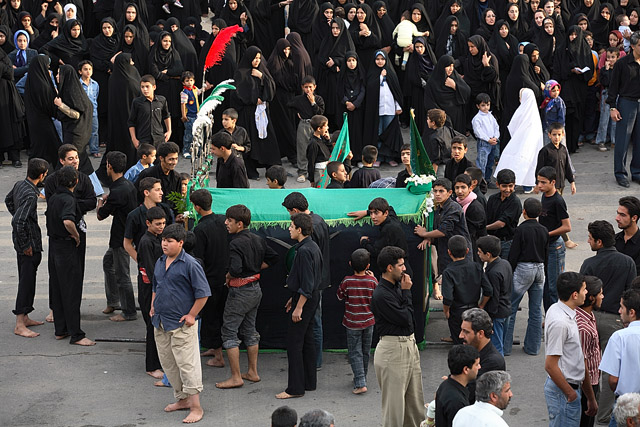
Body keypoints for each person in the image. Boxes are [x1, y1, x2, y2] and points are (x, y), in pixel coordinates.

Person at [151, 224, 210, 424]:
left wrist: (192, 315)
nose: (165, 244)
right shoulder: (160, 262)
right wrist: (152, 306)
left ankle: (196, 407)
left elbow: (203, 294)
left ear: (181, 243)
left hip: (181, 325)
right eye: (163, 240)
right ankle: (182, 400)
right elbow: (155, 286)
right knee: (169, 365)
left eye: (169, 241)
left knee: (188, 366)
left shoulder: (191, 264)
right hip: (160, 322)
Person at [580, 220, 637, 425]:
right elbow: (629, 293)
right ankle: (603, 416)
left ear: (599, 241)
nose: (587, 241)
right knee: (609, 371)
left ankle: (588, 406)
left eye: (590, 238)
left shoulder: (589, 263)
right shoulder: (627, 262)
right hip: (615, 320)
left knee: (587, 365)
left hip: (590, 318)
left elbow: (581, 294)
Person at [216, 205, 278, 389]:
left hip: (240, 293)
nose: (226, 223)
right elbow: (273, 258)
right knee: (250, 330)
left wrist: (228, 276)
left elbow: (235, 269)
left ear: (240, 224)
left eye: (229, 220)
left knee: (229, 332)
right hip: (255, 289)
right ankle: (252, 372)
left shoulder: (235, 243)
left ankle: (236, 377)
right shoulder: (258, 239)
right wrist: (255, 270)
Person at [371, 246, 424, 427]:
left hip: (409, 345)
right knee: (394, 411)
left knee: (415, 408)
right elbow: (406, 319)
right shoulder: (381, 294)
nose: (404, 269)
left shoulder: (398, 286)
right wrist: (407, 292)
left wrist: (405, 291)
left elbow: (410, 322)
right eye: (400, 265)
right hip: (393, 351)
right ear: (389, 268)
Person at [46, 166, 95, 346]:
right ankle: (76, 334)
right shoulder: (68, 199)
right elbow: (67, 220)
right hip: (66, 247)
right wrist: (75, 235)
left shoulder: (53, 198)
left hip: (54, 246)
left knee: (58, 287)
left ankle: (61, 329)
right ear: (75, 181)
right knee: (71, 290)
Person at [282, 192, 331, 369]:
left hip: (313, 285)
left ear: (295, 211)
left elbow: (309, 265)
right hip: (320, 280)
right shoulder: (319, 220)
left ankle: (314, 362)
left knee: (313, 323)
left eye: (290, 214)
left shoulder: (310, 231)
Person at [276, 213, 323, 400]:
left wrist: (298, 307)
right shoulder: (312, 246)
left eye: (291, 226)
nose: (289, 228)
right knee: (308, 339)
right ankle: (310, 381)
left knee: (294, 343)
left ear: (299, 229)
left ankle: (295, 388)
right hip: (309, 297)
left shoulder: (303, 251)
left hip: (305, 299)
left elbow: (307, 282)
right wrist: (294, 299)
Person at [6, 158, 48, 338]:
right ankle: (19, 323)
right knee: (26, 281)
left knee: (28, 279)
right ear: (41, 175)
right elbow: (18, 220)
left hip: (22, 241)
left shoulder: (19, 185)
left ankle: (26, 316)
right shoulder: (31, 194)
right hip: (28, 243)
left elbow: (9, 201)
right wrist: (26, 244)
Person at [544, 271, 592, 427]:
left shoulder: (559, 309)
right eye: (584, 289)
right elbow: (550, 365)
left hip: (567, 390)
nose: (587, 293)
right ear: (574, 295)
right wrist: (570, 394)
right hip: (564, 392)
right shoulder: (561, 323)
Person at [189, 189, 230, 369]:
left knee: (212, 317)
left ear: (197, 207)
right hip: (227, 277)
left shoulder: (200, 229)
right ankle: (215, 348)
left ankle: (219, 356)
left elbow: (199, 259)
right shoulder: (224, 221)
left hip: (210, 280)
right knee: (221, 315)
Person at [97, 151, 139, 322]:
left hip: (122, 238)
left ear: (109, 166)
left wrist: (101, 202)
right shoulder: (126, 185)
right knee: (108, 263)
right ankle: (113, 301)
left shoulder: (117, 190)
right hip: (124, 234)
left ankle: (128, 311)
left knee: (122, 274)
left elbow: (101, 215)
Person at [505, 198, 548, 356]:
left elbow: (514, 253)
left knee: (511, 307)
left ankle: (505, 347)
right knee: (536, 310)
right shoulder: (543, 230)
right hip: (540, 268)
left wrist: (510, 271)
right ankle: (533, 347)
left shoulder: (521, 230)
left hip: (524, 268)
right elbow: (546, 252)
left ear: (524, 212)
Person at [231, 46, 281, 181]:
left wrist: (262, 77)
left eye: (259, 58)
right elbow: (238, 93)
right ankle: (251, 170)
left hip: (262, 112)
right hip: (248, 113)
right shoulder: (241, 73)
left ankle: (272, 169)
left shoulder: (262, 70)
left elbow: (272, 87)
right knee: (251, 140)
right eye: (255, 58)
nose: (257, 61)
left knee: (267, 140)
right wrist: (254, 100)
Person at [337, 248, 377, 394]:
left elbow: (339, 296)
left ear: (350, 264)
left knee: (355, 352)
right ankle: (362, 377)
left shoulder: (347, 281)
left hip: (352, 321)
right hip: (369, 321)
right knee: (365, 351)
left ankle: (360, 382)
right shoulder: (373, 281)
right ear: (368, 266)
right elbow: (378, 296)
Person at [414, 178, 472, 277]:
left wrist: (424, 234)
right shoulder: (439, 208)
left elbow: (443, 231)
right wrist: (429, 238)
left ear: (449, 192)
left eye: (441, 191)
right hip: (445, 254)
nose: (437, 194)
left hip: (459, 255)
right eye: (435, 191)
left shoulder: (453, 208)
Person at [599, 289, 640, 426]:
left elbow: (613, 379)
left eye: (622, 307)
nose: (619, 311)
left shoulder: (619, 337)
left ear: (632, 312)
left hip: (627, 406)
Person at [442, 236, 493, 344]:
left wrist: (446, 311)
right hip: (474, 308)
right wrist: (481, 305)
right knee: (472, 340)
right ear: (467, 250)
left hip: (457, 311)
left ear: (449, 252)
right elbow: (488, 290)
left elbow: (448, 297)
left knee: (459, 340)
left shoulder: (448, 272)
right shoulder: (476, 267)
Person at [536, 166, 572, 312]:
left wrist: (547, 234)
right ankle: (549, 314)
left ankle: (555, 316)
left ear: (553, 182)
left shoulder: (558, 201)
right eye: (538, 182)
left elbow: (567, 226)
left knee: (554, 286)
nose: (539, 186)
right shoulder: (544, 196)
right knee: (546, 284)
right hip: (545, 246)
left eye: (543, 183)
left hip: (555, 247)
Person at [135, 206, 166, 380]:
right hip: (150, 288)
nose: (161, 227)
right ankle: (151, 365)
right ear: (148, 223)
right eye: (157, 224)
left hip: (157, 286)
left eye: (163, 223)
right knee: (152, 325)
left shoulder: (158, 238)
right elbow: (151, 269)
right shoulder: (146, 242)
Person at [608, 31, 640, 187]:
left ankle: (637, 172)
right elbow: (613, 87)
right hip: (627, 103)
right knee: (623, 140)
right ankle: (620, 173)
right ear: (632, 46)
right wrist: (613, 107)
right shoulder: (622, 64)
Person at [494, 88, 543, 190]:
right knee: (530, 162)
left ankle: (513, 182)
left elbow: (512, 125)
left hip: (520, 141)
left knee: (515, 161)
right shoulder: (534, 112)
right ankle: (528, 185)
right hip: (532, 143)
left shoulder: (521, 110)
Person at [459, 308, 506, 401]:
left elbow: (470, 394)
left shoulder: (493, 362)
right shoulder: (471, 351)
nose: (461, 335)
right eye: (461, 330)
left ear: (480, 333)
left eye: (466, 332)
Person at [477, 236, 513, 355]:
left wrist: (486, 311)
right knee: (501, 340)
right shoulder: (505, 263)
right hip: (506, 308)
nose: (478, 254)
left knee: (496, 346)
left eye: (479, 252)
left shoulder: (493, 273)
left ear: (488, 254)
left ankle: (497, 369)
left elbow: (493, 296)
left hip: (497, 313)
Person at [359, 197, 412, 276]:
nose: (373, 217)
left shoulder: (388, 229)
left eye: (376, 213)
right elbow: (390, 208)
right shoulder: (392, 218)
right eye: (371, 213)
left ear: (386, 213)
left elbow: (376, 252)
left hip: (400, 273)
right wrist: (366, 212)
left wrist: (364, 242)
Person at [576, 275, 604, 427]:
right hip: (586, 386)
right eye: (600, 293)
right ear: (592, 298)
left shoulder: (589, 316)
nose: (603, 296)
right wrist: (591, 398)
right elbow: (583, 366)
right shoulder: (583, 328)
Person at [288, 76, 325, 183]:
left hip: (316, 125)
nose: (308, 89)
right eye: (306, 87)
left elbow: (320, 112)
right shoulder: (299, 99)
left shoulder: (318, 99)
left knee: (317, 148)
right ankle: (302, 172)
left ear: (314, 87)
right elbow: (289, 105)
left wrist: (313, 103)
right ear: (302, 88)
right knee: (302, 148)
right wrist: (297, 113)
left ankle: (316, 170)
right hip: (304, 124)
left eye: (310, 87)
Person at [435, 344, 481, 427]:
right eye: (477, 364)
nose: (479, 367)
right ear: (466, 369)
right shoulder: (457, 402)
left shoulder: (445, 385)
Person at [424, 55, 471, 134]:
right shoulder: (432, 82)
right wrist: (441, 116)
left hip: (457, 118)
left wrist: (455, 86)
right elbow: (429, 102)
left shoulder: (455, 78)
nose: (451, 69)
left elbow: (467, 92)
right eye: (448, 66)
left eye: (452, 66)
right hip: (441, 120)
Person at [485, 168, 522, 259]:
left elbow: (501, 224)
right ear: (497, 185)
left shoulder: (515, 202)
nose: (507, 189)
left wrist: (484, 228)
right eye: (504, 186)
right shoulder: (492, 199)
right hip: (493, 241)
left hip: (507, 242)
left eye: (510, 186)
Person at [128, 74, 171, 149]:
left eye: (147, 86)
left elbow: (166, 116)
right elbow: (131, 122)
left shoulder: (162, 100)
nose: (145, 89)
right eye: (142, 87)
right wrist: (134, 139)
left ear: (154, 87)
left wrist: (169, 131)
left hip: (159, 138)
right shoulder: (137, 102)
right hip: (143, 138)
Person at [135, 142, 182, 210]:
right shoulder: (147, 174)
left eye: (176, 159)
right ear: (161, 158)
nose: (174, 162)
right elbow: (137, 197)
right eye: (171, 159)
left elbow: (178, 201)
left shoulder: (177, 177)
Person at [472, 93, 500, 181]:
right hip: (484, 143)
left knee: (490, 162)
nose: (486, 107)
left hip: (493, 142)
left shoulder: (490, 116)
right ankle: (481, 181)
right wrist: (488, 139)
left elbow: (496, 127)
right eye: (483, 105)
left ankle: (487, 179)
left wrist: (496, 137)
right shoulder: (477, 118)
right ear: (478, 106)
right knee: (482, 163)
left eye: (488, 105)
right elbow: (478, 131)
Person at [77, 60, 100, 158]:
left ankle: (94, 149)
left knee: (94, 131)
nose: (88, 71)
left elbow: (96, 96)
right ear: (80, 71)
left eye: (90, 69)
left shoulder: (95, 84)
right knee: (81, 132)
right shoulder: (78, 84)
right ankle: (81, 151)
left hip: (93, 111)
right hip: (81, 112)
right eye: (85, 69)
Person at [615, 196, 640, 275]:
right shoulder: (613, 240)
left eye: (622, 215)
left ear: (634, 218)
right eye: (617, 213)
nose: (617, 218)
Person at [179, 70, 198, 159]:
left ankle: (196, 150)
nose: (189, 82)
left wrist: (206, 87)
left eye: (191, 80)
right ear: (183, 82)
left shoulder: (194, 89)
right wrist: (184, 115)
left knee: (196, 134)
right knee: (189, 134)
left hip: (196, 115)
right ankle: (186, 150)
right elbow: (183, 104)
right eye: (187, 81)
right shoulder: (184, 92)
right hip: (189, 117)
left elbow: (199, 92)